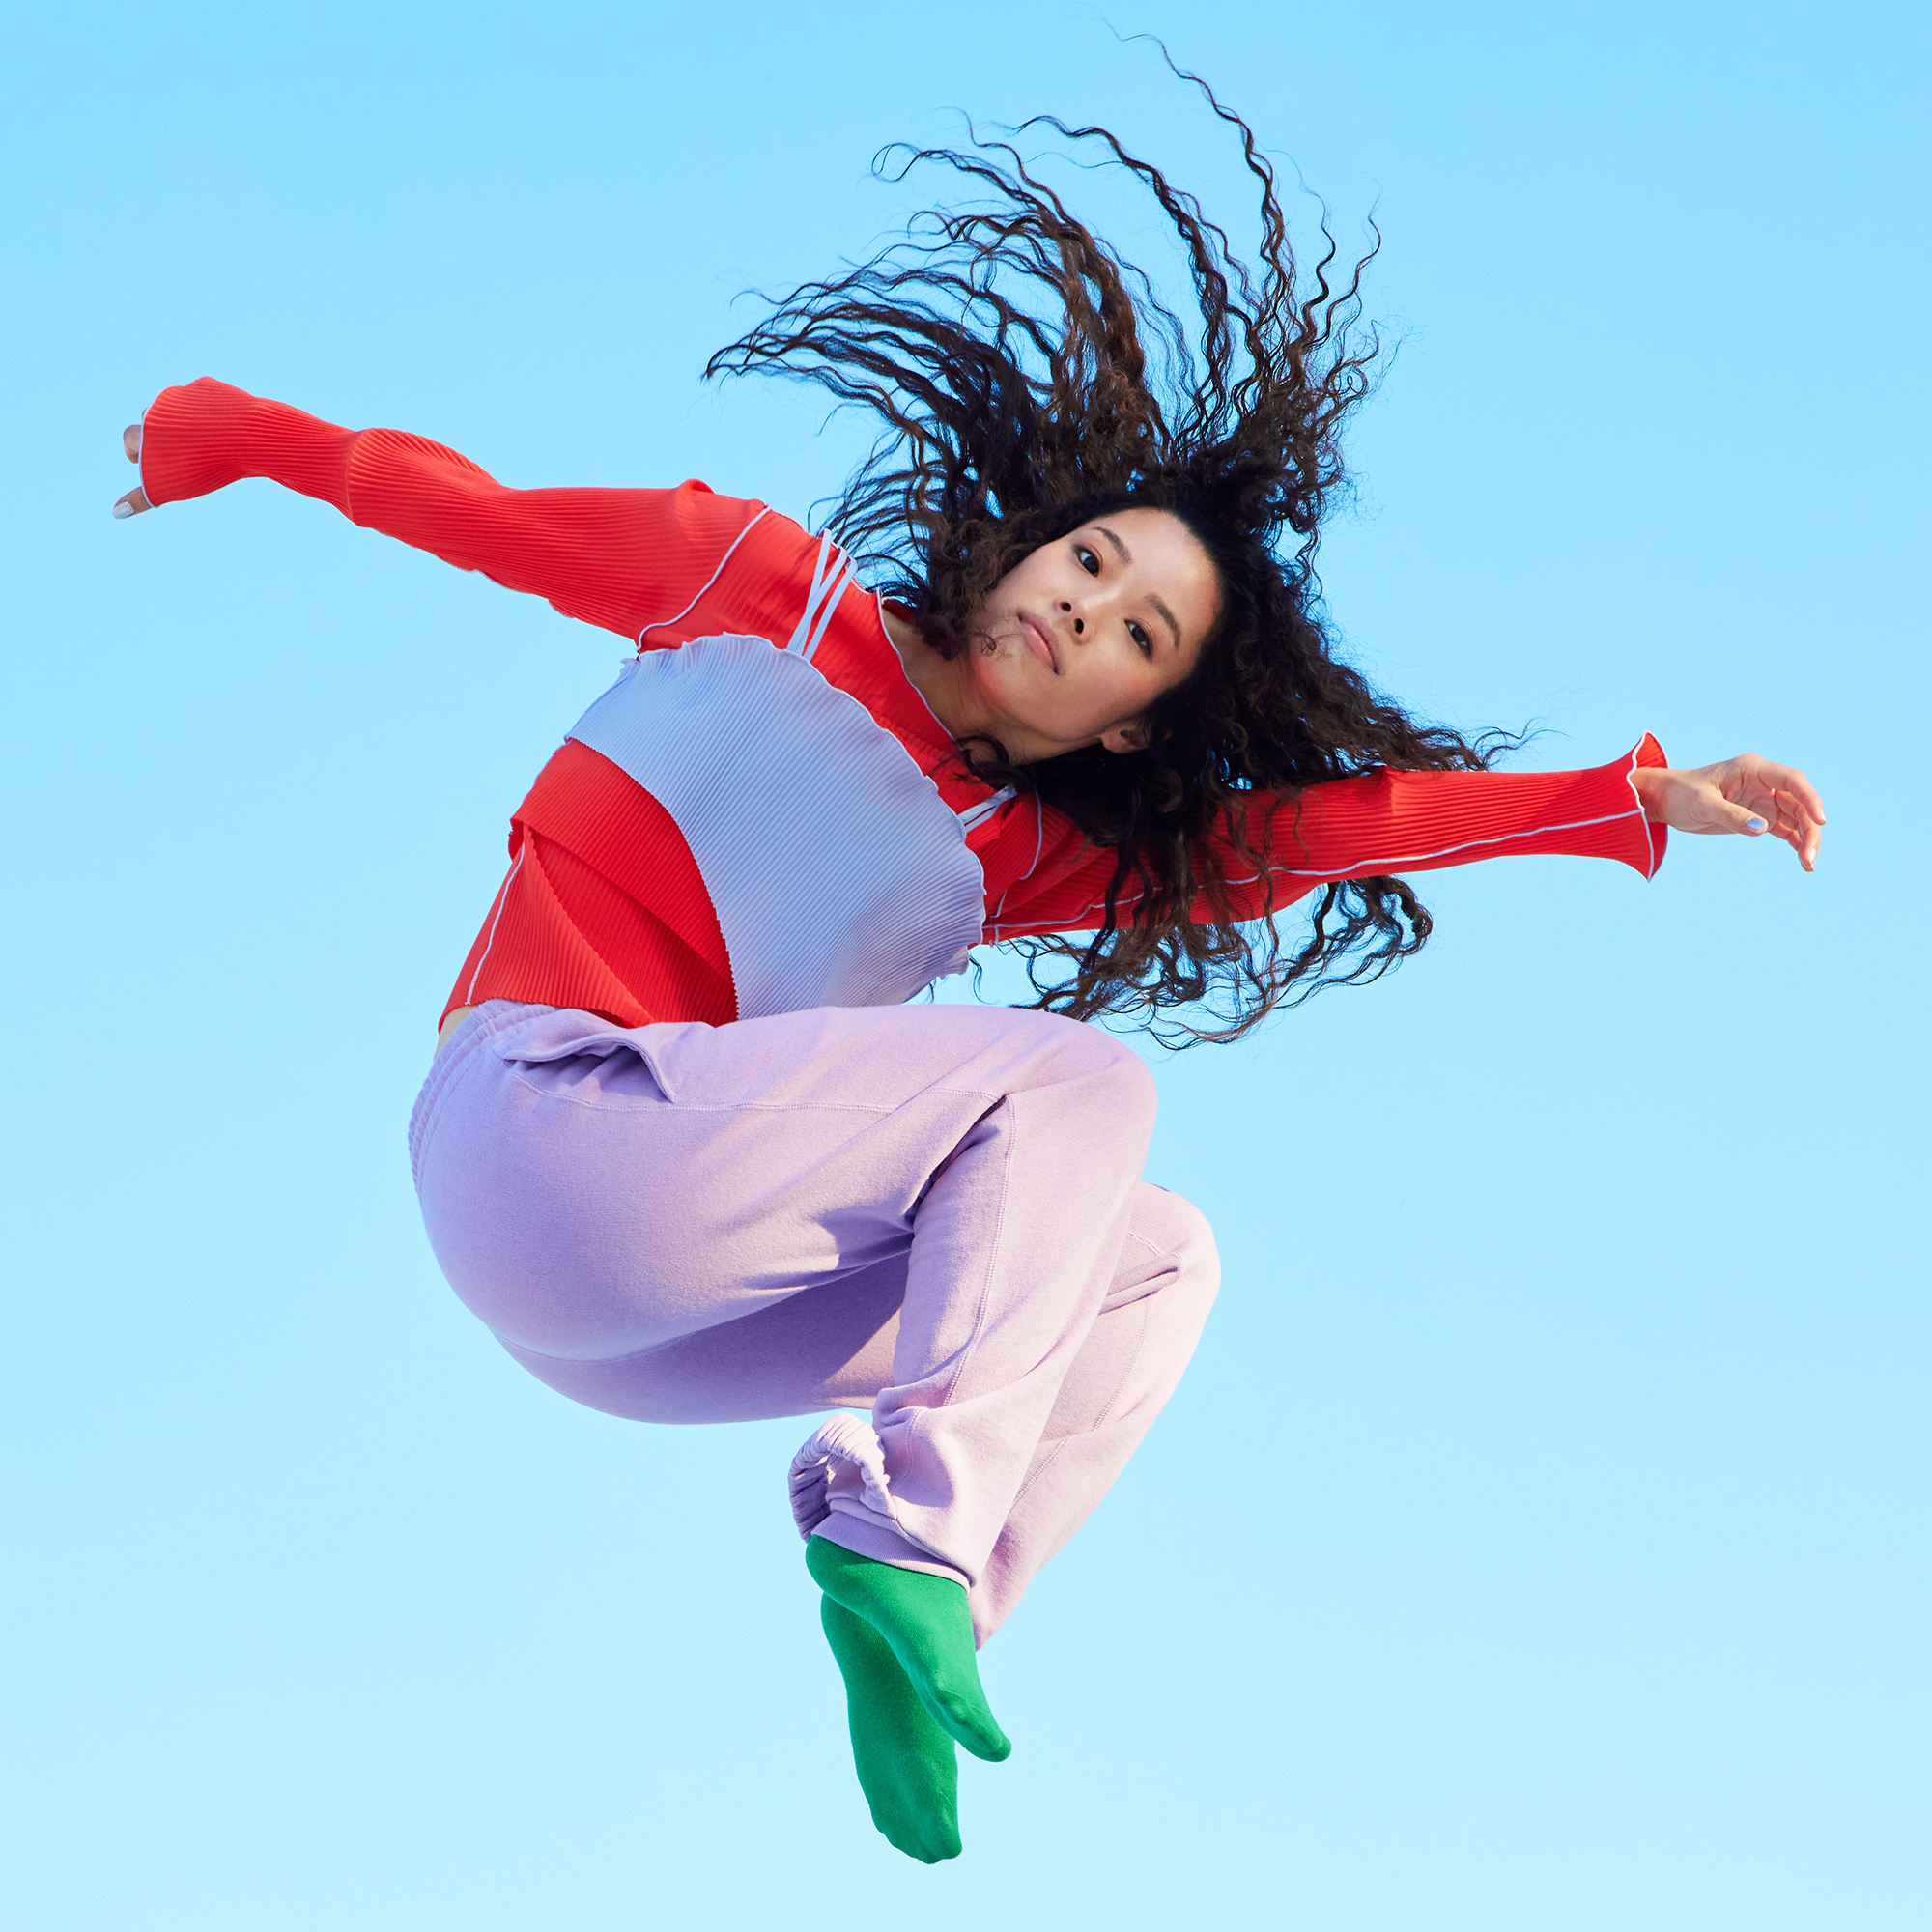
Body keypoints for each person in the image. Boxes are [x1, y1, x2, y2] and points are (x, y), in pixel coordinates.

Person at [111, 83, 1823, 1864]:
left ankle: (925, 1624)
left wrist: (1621, 802)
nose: (1082, 608)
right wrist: (220, 434)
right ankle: (901, 1536)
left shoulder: (1021, 856)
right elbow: (466, 507)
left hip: (641, 1328)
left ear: (1134, 719)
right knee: (1076, 1085)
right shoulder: (758, 582)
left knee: (1157, 1262)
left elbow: (1316, 834)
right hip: (530, 1126)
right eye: (1090, 562)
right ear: (1029, 543)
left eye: (1135, 631)